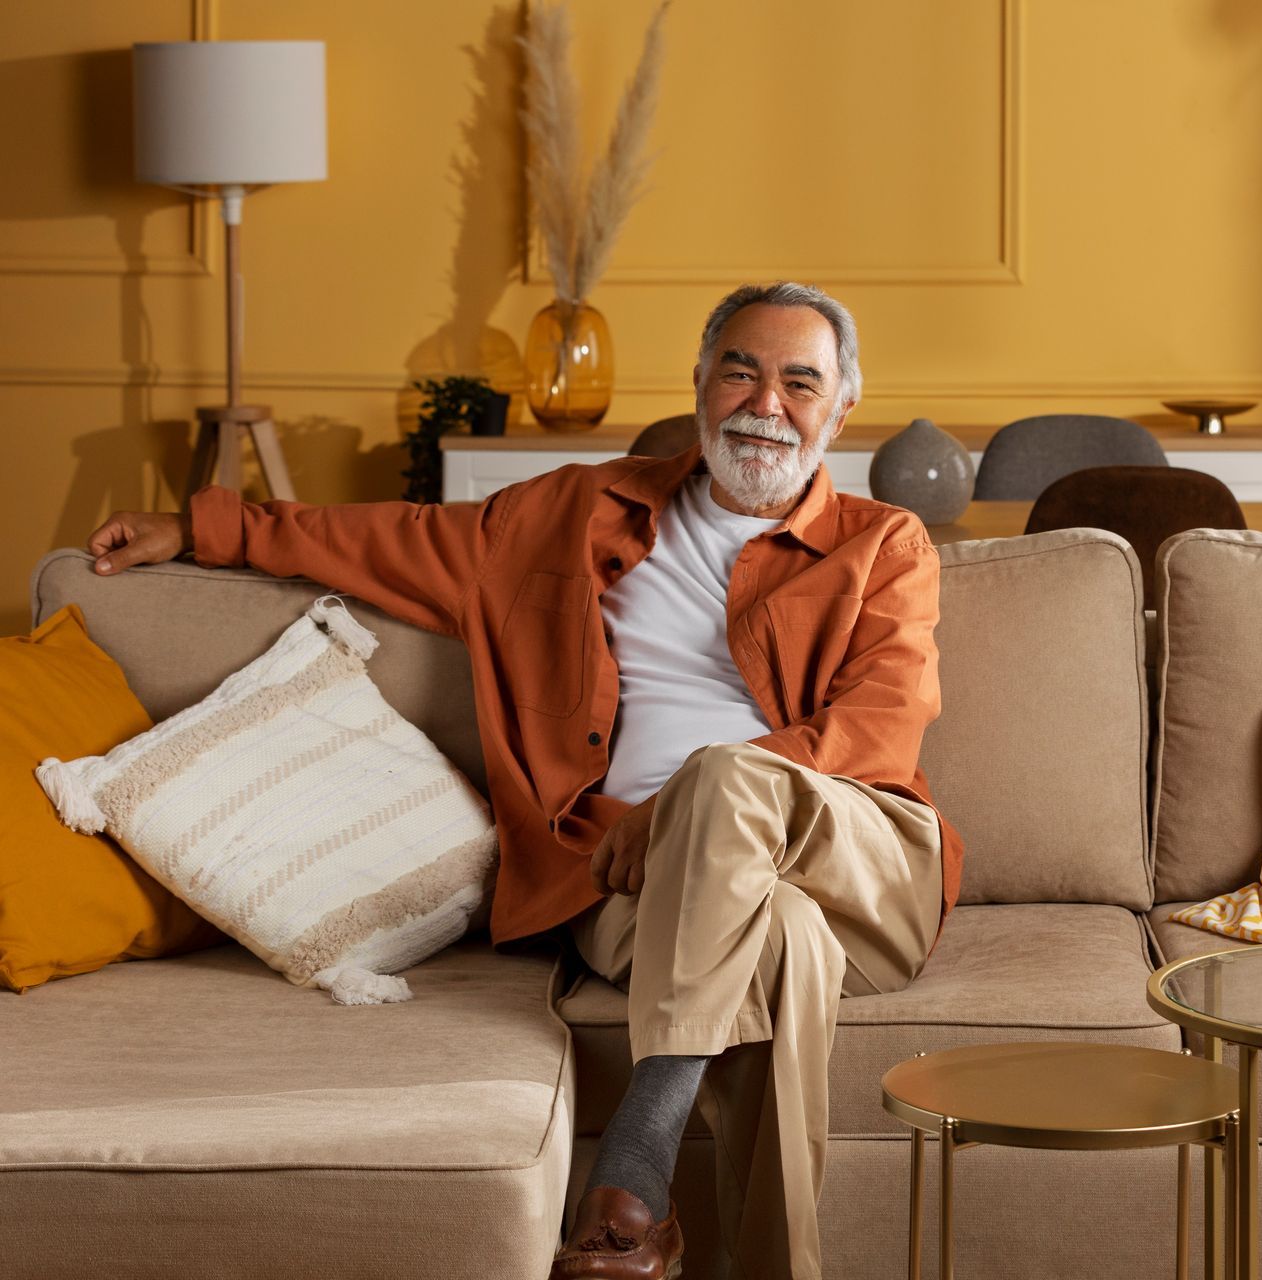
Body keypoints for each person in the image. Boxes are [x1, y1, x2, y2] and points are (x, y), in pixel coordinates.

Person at [86, 282, 961, 1280]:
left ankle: (634, 1165)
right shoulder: (572, 512)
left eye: (800, 381)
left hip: (858, 862)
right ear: (700, 383)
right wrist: (209, 528)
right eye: (742, 371)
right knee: (783, 943)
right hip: (637, 887)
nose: (768, 403)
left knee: (722, 778)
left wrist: (685, 801)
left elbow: (881, 726)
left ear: (841, 407)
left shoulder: (881, 542)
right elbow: (392, 539)